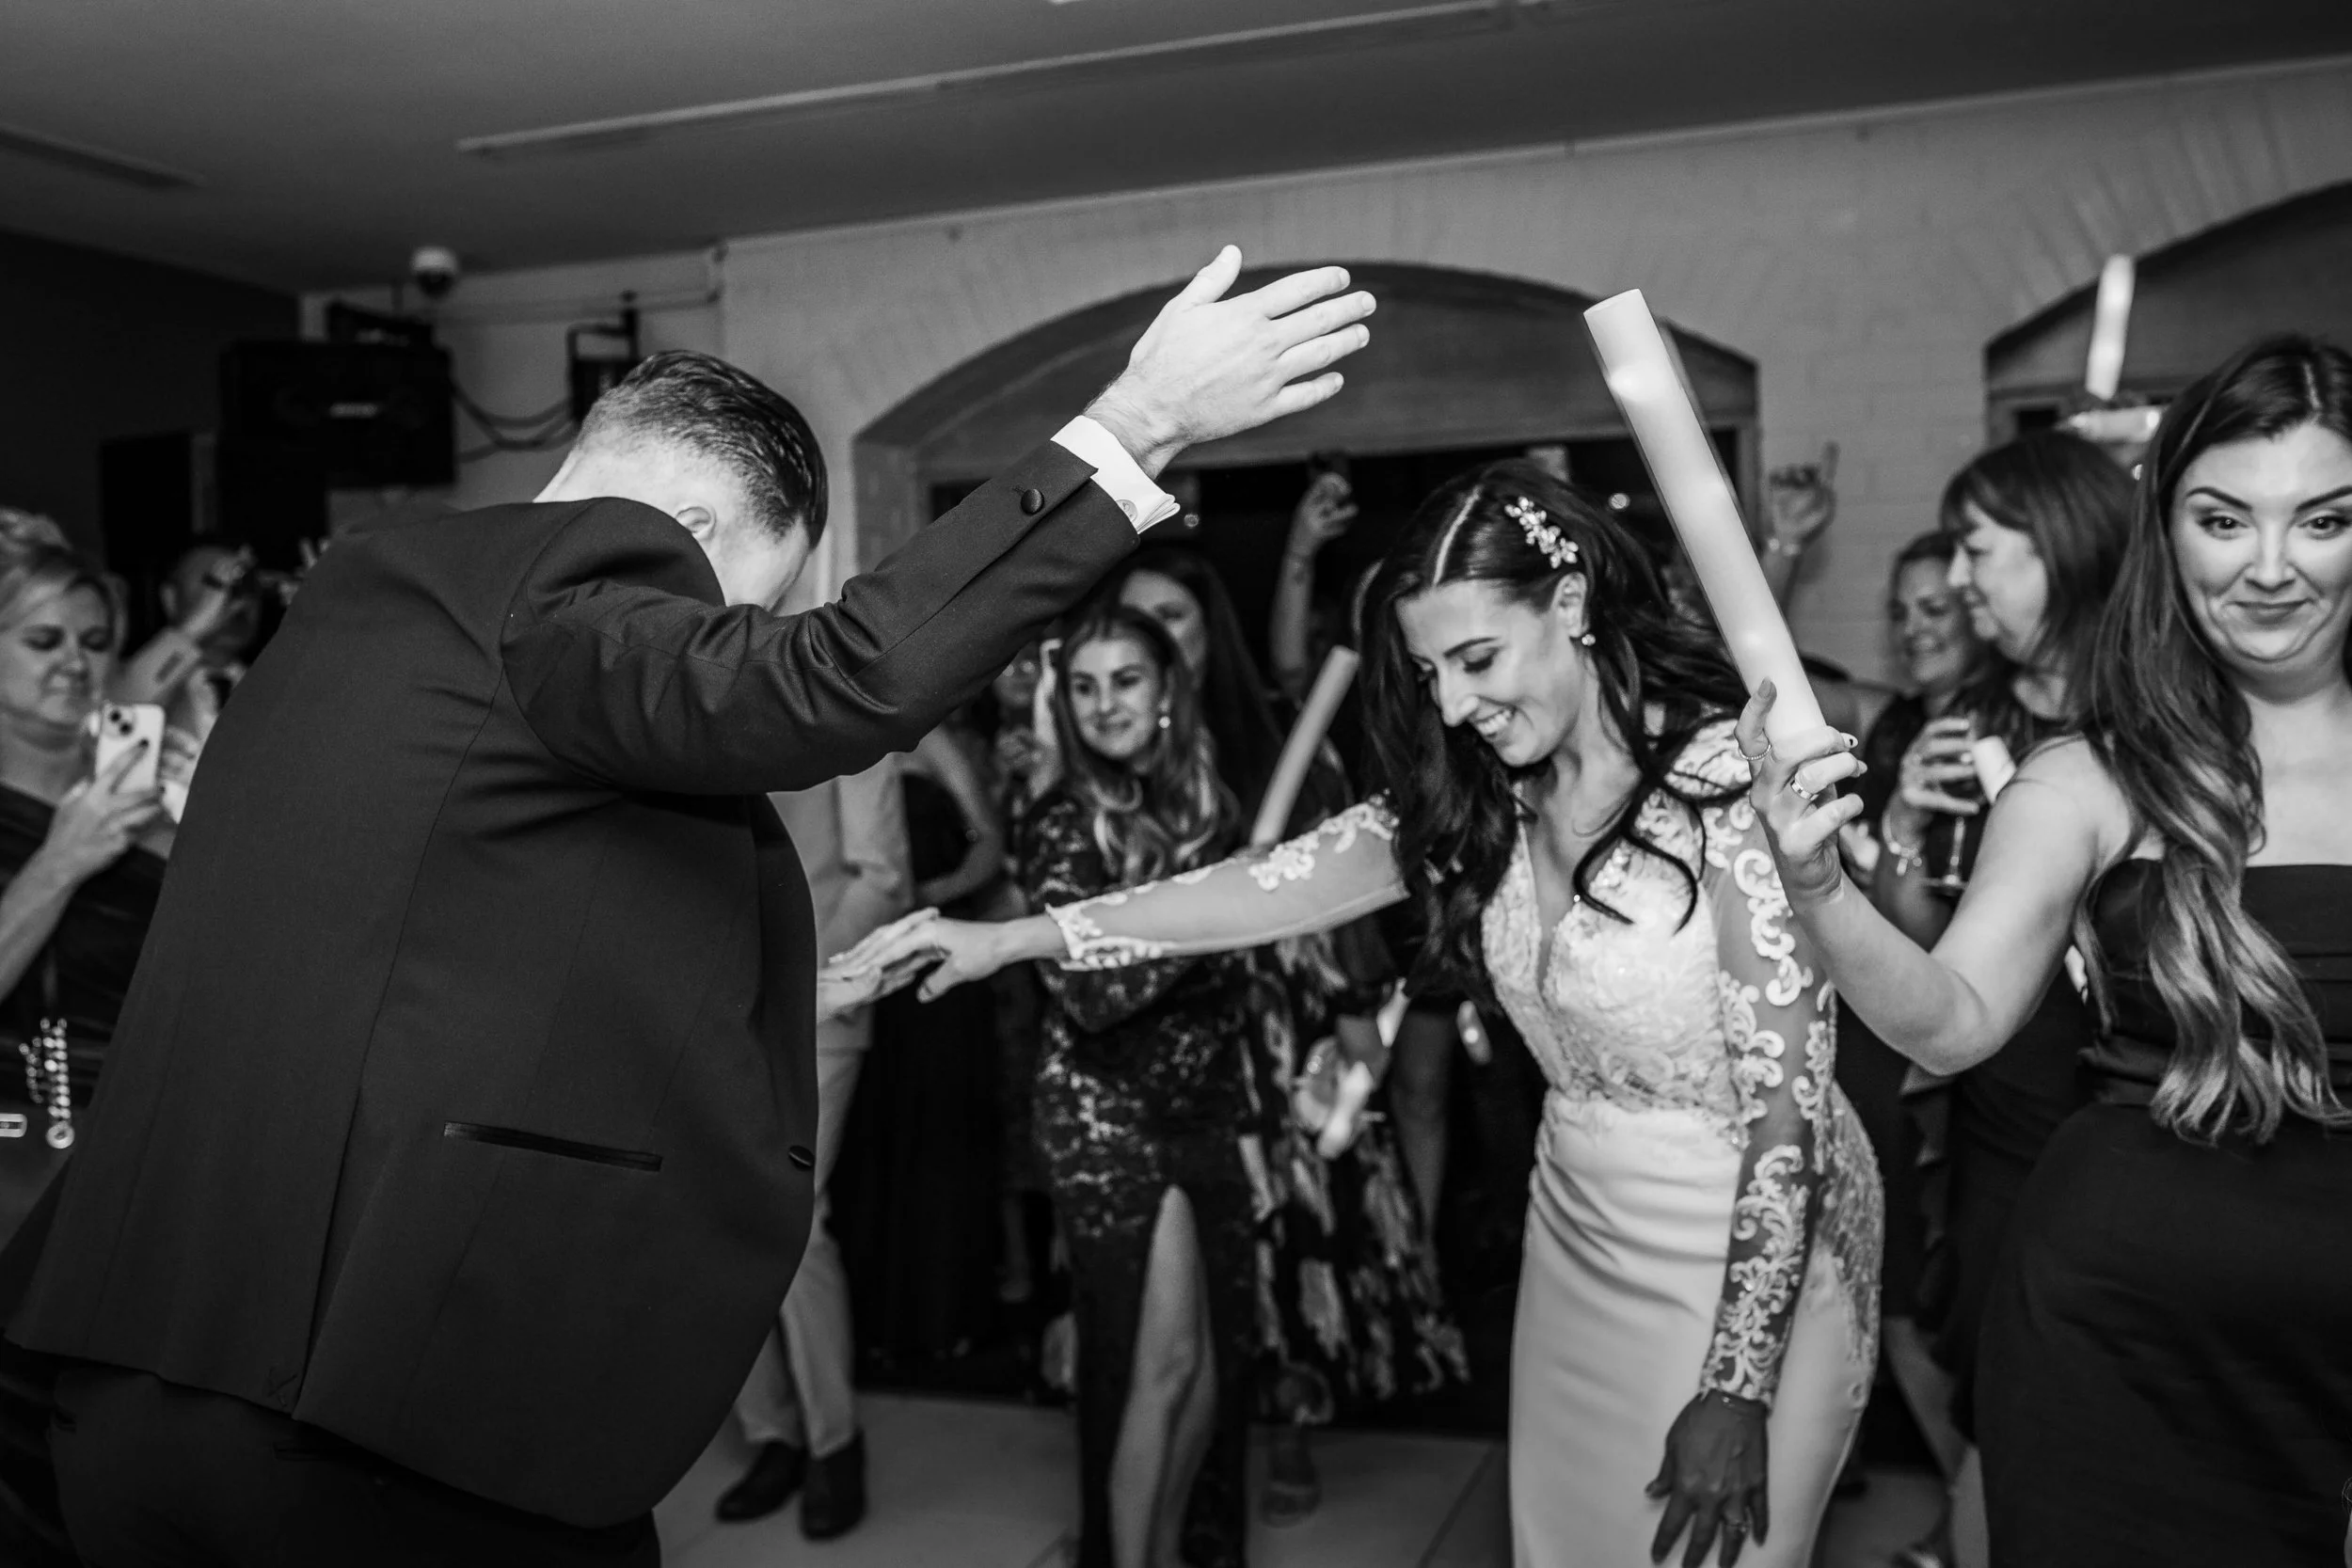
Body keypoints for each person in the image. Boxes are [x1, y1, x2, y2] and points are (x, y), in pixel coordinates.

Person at [8, 247, 1375, 1566]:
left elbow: (443, 951)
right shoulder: (564, 589)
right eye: (741, 607)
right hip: (372, 1427)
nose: (722, 639)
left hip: (132, 1387)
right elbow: (839, 680)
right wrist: (1140, 423)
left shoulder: (358, 617)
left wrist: (765, 989)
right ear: (691, 534)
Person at [838, 459, 1883, 1567]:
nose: (1452, 705)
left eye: (1476, 658)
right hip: (1579, 1230)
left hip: (1753, 1244)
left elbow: (1787, 1114)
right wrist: (1010, 938)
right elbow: (1263, 886)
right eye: (1429, 672)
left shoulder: (1727, 788)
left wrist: (1737, 1385)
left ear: (1571, 604)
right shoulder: (1478, 792)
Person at [1738, 334, 2352, 1566]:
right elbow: (1954, 1017)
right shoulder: (2091, 775)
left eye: (2323, 520)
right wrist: (1819, 887)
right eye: (2223, 519)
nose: (2269, 565)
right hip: (2116, 1327)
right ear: (2165, 535)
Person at [1873, 433, 2131, 1567]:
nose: (1956, 577)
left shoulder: (2169, 707)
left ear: (2059, 544)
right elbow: (1920, 940)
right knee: (1993, 1359)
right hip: (2001, 1097)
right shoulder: (1967, 715)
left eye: (1977, 548)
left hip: (2135, 1092)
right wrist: (1899, 830)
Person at [1022, 605, 1261, 1568]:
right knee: (1158, 1365)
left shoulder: (1206, 801)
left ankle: (1164, 1546)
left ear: (1166, 688)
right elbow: (1090, 989)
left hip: (1201, 1103)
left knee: (1204, 1366)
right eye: (1084, 686)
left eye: (1125, 679)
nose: (1104, 704)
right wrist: (1221, 904)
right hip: (1105, 1112)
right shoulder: (1059, 818)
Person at [714, 753, 910, 1538]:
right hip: (712, 1009)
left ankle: (835, 1440)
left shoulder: (851, 728)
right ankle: (772, 1432)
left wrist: (804, 980)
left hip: (818, 1006)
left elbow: (883, 876)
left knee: (793, 1219)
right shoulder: (696, 712)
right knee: (715, 1222)